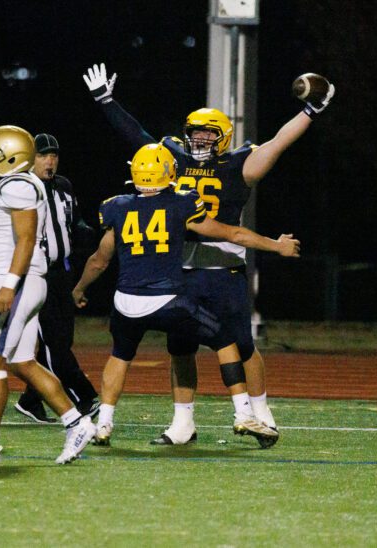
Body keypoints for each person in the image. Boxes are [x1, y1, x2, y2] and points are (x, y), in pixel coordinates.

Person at [83, 62, 334, 446]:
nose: (199, 140)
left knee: (242, 343)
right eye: (195, 134)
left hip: (223, 267)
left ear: (223, 137)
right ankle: (183, 423)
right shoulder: (173, 159)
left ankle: (261, 412)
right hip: (180, 268)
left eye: (207, 134)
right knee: (180, 348)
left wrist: (310, 111)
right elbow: (137, 137)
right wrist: (107, 102)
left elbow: (279, 141)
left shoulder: (240, 164)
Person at [72, 143, 299, 447]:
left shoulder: (117, 206)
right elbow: (233, 233)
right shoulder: (182, 204)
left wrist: (79, 288)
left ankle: (104, 424)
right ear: (168, 172)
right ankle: (243, 413)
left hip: (125, 302)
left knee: (120, 355)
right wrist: (276, 245)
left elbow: (99, 259)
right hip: (167, 300)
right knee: (224, 339)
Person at [0, 125, 96, 465]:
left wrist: (10, 283)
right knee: (20, 360)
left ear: (13, 155)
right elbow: (8, 239)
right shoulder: (17, 184)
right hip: (24, 277)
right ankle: (77, 423)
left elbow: (27, 240)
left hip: (20, 279)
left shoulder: (15, 184)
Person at [13, 132, 99, 423]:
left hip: (62, 271)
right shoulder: (22, 188)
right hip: (38, 272)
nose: (49, 161)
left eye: (54, 155)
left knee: (62, 340)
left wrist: (88, 231)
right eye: (42, 155)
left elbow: (73, 221)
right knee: (54, 344)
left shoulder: (63, 185)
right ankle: (83, 398)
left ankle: (30, 400)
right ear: (29, 157)